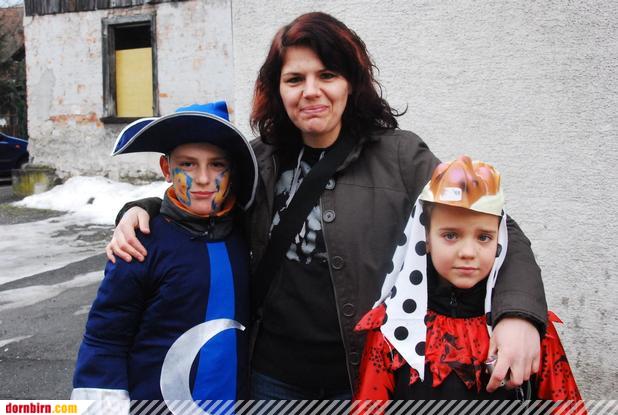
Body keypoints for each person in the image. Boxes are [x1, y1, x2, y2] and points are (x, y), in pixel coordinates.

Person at [107, 12, 547, 399]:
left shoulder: (400, 157)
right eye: (295, 79)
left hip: (368, 376)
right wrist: (142, 208)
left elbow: (497, 226)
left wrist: (518, 315)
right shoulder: (259, 159)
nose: (311, 91)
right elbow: (203, 202)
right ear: (278, 89)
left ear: (350, 82)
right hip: (271, 378)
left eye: (327, 75)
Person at [71, 101, 258, 408]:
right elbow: (106, 337)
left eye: (216, 164)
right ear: (166, 169)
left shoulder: (245, 233)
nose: (202, 178)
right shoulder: (140, 243)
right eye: (188, 164)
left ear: (232, 171)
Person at [354, 156, 582, 405]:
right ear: (426, 238)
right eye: (451, 235)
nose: (468, 252)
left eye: (484, 237)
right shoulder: (392, 325)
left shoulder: (529, 328)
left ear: (499, 240)